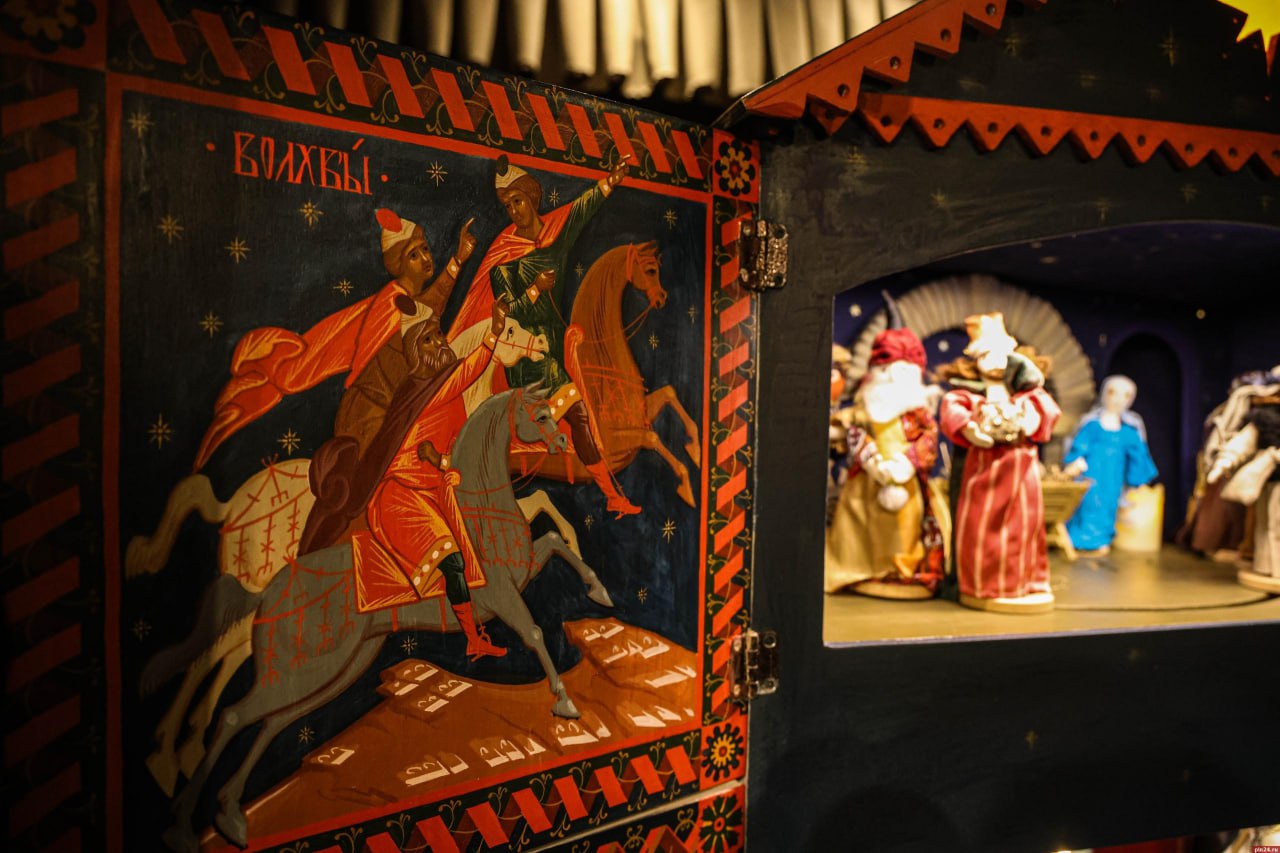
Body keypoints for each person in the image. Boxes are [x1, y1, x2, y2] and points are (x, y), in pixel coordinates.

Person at [193, 208, 475, 470]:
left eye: (425, 249)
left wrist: (458, 261)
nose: (425, 259)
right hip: (368, 412)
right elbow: (422, 315)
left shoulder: (406, 301)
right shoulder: (393, 302)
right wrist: (456, 263)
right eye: (413, 255)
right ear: (397, 264)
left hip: (389, 405)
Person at [448, 154, 640, 516]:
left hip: (552, 351)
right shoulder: (503, 258)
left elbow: (579, 212)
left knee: (579, 419)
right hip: (526, 358)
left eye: (517, 201)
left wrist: (610, 181)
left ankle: (612, 497)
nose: (513, 211)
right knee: (575, 417)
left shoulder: (554, 239)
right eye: (507, 206)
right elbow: (507, 311)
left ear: (532, 198)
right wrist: (535, 289)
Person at [338, 296, 513, 659]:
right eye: (428, 340)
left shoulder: (443, 394)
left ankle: (474, 632)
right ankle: (472, 638)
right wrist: (494, 332)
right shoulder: (428, 388)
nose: (439, 344)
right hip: (401, 496)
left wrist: (443, 460)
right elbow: (467, 372)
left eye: (438, 336)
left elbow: (449, 452)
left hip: (433, 491)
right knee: (452, 561)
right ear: (415, 353)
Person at [938, 313, 1061, 611]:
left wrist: (1030, 421)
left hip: (1020, 467)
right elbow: (952, 410)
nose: (994, 363)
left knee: (1023, 525)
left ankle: (1023, 581)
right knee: (981, 527)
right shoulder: (968, 392)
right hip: (983, 468)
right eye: (985, 356)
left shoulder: (1025, 392)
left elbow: (1044, 410)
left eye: (999, 355)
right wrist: (969, 428)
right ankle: (982, 583)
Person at [825, 301, 945, 598]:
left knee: (906, 528)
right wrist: (871, 458)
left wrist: (906, 463)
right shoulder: (863, 409)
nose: (891, 376)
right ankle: (864, 570)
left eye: (899, 370)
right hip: (866, 479)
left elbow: (928, 438)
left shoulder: (918, 413)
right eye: (885, 369)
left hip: (906, 480)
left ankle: (901, 571)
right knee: (860, 529)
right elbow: (849, 429)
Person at [1062, 375, 1159, 554]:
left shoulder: (1129, 429)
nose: (1118, 399)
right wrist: (1076, 461)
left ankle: (1100, 540)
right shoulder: (1092, 425)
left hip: (1113, 476)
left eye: (1125, 395)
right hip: (1090, 473)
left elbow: (1138, 453)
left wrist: (1139, 477)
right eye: (1113, 393)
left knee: (1108, 506)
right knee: (1086, 504)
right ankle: (1078, 538)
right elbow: (1079, 445)